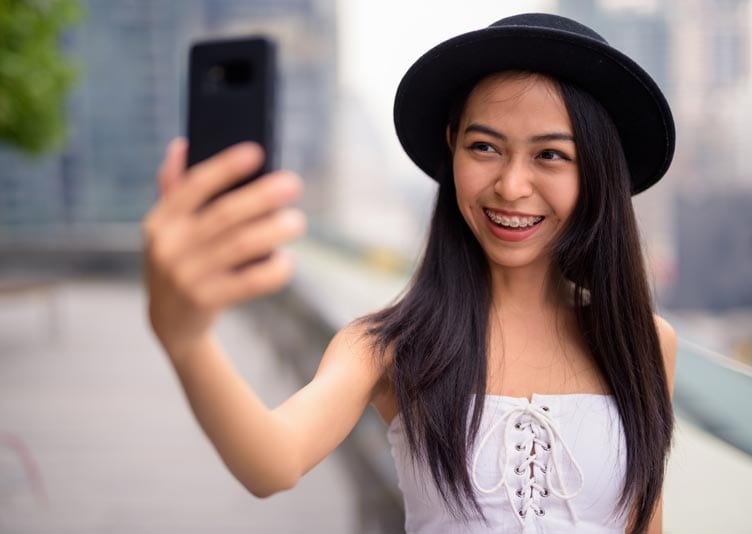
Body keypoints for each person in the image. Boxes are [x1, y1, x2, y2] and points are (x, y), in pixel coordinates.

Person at [142, 13, 677, 534]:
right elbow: (272, 461)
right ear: (452, 147)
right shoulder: (388, 345)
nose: (512, 186)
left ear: (598, 173)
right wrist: (187, 340)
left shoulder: (643, 342)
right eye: (485, 147)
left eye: (551, 155)